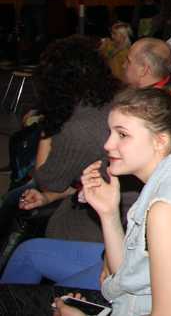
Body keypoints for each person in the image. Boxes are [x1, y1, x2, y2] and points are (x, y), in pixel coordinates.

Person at [6, 84, 171, 314]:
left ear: (160, 141)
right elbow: (125, 272)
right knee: (28, 257)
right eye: (110, 132)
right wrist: (108, 213)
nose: (107, 145)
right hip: (132, 305)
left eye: (122, 134)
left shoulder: (168, 210)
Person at [0, 37, 121, 258]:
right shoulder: (114, 98)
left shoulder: (77, 127)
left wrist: (48, 125)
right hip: (99, 190)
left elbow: (48, 181)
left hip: (99, 226)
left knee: (15, 201)